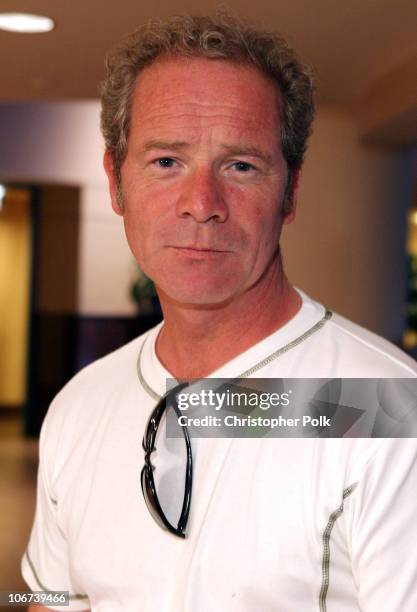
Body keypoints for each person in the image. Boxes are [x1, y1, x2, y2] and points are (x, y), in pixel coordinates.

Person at [23, 12, 417, 612]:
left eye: (241, 166)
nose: (202, 205)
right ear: (115, 181)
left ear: (289, 193)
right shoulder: (81, 406)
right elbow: (52, 598)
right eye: (165, 162)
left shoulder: (383, 408)